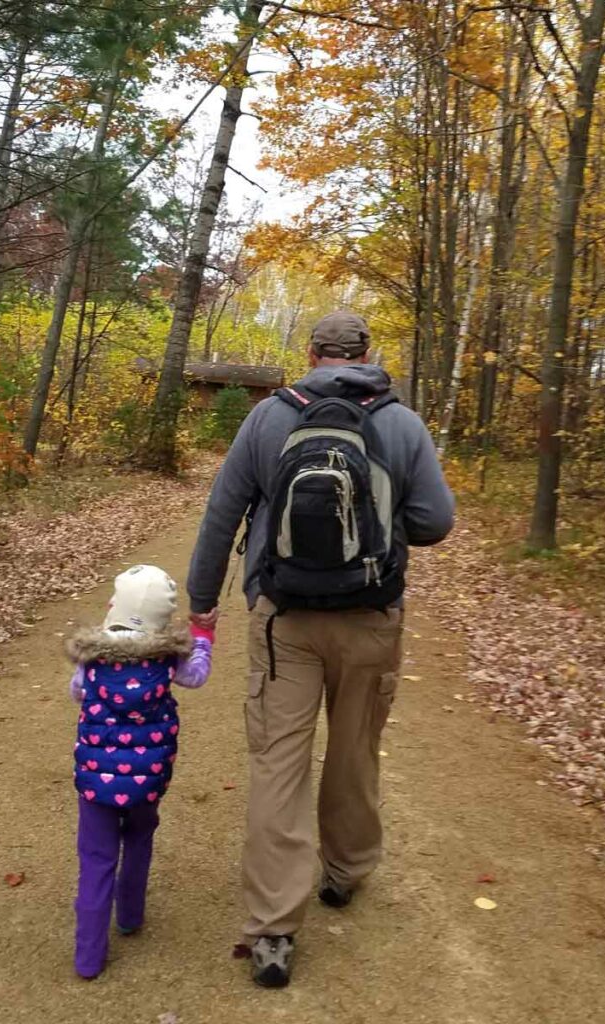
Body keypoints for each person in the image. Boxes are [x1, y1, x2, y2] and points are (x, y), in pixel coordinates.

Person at [186, 311, 455, 987]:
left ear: (309, 354)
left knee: (280, 762)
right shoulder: (401, 424)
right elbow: (435, 522)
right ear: (368, 354)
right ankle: (345, 872)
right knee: (355, 746)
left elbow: (223, 512)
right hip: (371, 617)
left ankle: (273, 930)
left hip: (284, 620)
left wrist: (202, 604)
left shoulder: (268, 418)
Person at [65, 564, 213, 980]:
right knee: (139, 838)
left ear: (118, 607)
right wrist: (203, 637)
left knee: (96, 859)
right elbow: (198, 676)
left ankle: (88, 958)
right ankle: (129, 916)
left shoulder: (91, 658)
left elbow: (77, 692)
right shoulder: (168, 660)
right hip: (148, 778)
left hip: (95, 779)